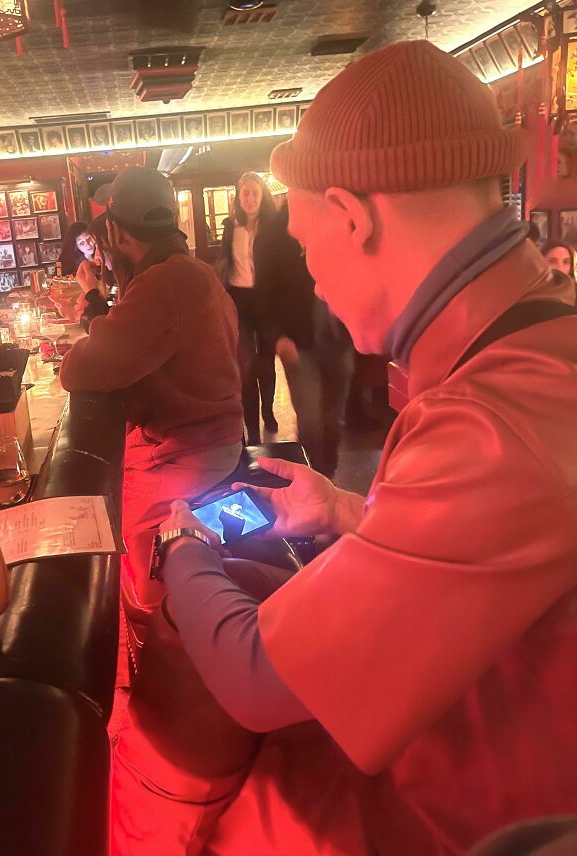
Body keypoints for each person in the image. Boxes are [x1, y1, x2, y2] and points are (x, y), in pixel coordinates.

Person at [111, 40, 577, 855]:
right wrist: (345, 509)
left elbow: (257, 678)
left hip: (472, 814)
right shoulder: (539, 340)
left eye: (303, 234)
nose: (309, 271)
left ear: (353, 217)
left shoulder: (492, 417)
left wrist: (181, 539)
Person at [59, 168, 243, 659]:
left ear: (117, 232)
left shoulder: (164, 283)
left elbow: (81, 368)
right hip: (206, 440)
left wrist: (94, 306)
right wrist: (100, 303)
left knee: (122, 545)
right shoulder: (183, 271)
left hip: (189, 452)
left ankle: (162, 659)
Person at [254, 199, 353, 476]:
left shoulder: (337, 222)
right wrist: (277, 337)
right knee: (311, 421)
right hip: (298, 342)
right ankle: (317, 481)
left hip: (338, 336)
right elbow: (263, 293)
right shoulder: (273, 234)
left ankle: (328, 476)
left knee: (334, 419)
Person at [217, 171, 279, 444]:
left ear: (262, 195)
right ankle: (252, 429)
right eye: (246, 194)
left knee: (266, 360)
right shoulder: (230, 225)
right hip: (239, 298)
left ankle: (268, 409)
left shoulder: (273, 226)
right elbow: (223, 259)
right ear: (238, 197)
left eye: (255, 193)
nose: (251, 199)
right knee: (245, 364)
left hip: (266, 298)